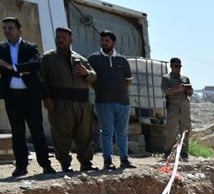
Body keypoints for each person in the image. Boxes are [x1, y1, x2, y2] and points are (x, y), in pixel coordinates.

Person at [0, 16, 54, 176]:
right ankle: (21, 166)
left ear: (19, 29)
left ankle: (46, 164)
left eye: (10, 28)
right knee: (17, 133)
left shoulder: (30, 47)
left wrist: (12, 67)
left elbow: (36, 64)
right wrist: (22, 69)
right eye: (4, 28)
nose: (7, 31)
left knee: (37, 131)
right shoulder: (1, 48)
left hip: (30, 96)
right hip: (12, 97)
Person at [41, 26, 97, 172]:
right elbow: (42, 81)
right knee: (61, 134)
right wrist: (46, 98)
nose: (60, 40)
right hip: (60, 103)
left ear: (71, 40)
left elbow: (94, 76)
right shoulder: (48, 58)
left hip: (82, 103)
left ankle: (86, 163)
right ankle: (65, 164)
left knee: (84, 134)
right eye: (58, 37)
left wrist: (86, 73)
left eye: (64, 38)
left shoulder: (80, 59)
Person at [87, 29, 133, 170]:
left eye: (107, 40)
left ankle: (124, 159)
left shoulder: (122, 60)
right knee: (106, 131)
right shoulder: (93, 59)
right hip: (103, 101)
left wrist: (119, 91)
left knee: (122, 132)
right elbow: (89, 79)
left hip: (122, 102)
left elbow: (128, 80)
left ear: (114, 43)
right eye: (102, 40)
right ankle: (108, 160)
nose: (104, 43)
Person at [160, 57, 192, 159]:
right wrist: (176, 89)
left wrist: (188, 90)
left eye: (179, 66)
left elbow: (190, 93)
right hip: (173, 107)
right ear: (171, 66)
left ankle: (184, 152)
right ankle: (168, 151)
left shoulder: (185, 78)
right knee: (171, 130)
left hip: (184, 107)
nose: (178, 68)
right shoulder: (166, 78)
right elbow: (165, 90)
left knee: (185, 130)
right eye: (176, 66)